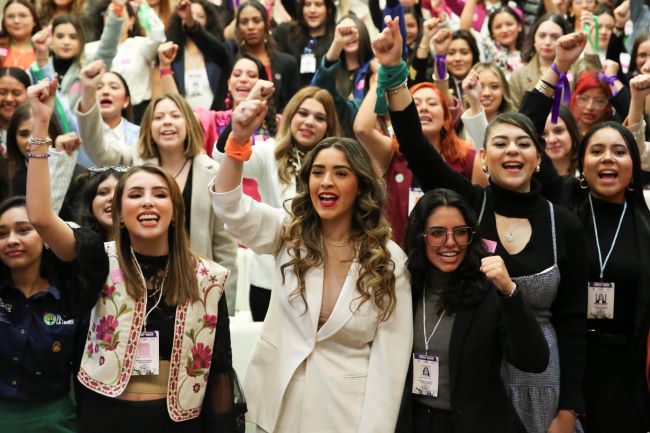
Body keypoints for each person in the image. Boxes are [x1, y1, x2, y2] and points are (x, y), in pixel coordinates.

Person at [375, 18, 588, 433]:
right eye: (500, 145)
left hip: (539, 377)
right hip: (473, 381)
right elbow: (417, 148)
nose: (513, 151)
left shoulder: (562, 222)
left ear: (539, 159)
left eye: (524, 145)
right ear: (483, 159)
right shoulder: (470, 207)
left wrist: (568, 410)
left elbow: (574, 323)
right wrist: (394, 69)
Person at [25, 78, 244, 433]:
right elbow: (39, 217)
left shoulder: (208, 277)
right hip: (105, 417)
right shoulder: (97, 258)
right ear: (119, 211)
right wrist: (39, 124)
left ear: (175, 209)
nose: (147, 202)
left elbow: (219, 370)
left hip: (177, 423)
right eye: (135, 194)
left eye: (159, 194)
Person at [210, 94, 412, 432]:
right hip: (273, 407)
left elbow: (389, 365)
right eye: (318, 172)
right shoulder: (289, 232)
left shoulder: (390, 260)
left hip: (344, 415)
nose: (327, 181)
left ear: (360, 184)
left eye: (340, 173)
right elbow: (230, 208)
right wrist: (239, 140)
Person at [75, 60, 240, 315]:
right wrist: (88, 92)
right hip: (140, 284)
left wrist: (223, 306)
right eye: (159, 117)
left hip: (195, 287)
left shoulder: (212, 172)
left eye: (175, 116)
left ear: (189, 125)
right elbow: (97, 149)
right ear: (149, 128)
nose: (167, 123)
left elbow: (225, 247)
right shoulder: (134, 163)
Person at [399, 188, 549, 432]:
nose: (451, 242)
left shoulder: (488, 291)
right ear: (420, 236)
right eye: (437, 233)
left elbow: (534, 360)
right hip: (416, 423)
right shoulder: (404, 288)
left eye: (460, 232)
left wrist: (510, 291)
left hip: (477, 423)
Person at [213, 85, 340, 321]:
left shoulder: (339, 163)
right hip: (268, 278)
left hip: (319, 278)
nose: (309, 121)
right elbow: (221, 156)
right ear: (290, 116)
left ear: (329, 126)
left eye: (319, 117)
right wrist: (243, 115)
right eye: (303, 113)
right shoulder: (270, 152)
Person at [0, 196, 78, 433]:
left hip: (56, 419)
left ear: (46, 238)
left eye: (24, 230)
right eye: (2, 234)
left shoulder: (71, 296)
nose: (12, 240)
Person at [230, 0, 299, 112]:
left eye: (256, 20)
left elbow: (293, 106)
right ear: (238, 27)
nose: (250, 27)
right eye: (244, 22)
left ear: (266, 23)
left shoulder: (287, 63)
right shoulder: (232, 59)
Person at [164, 0, 230, 111]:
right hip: (186, 121)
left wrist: (190, 21)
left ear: (209, 21)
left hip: (215, 120)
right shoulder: (172, 54)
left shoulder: (218, 52)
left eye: (200, 16)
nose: (194, 18)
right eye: (190, 14)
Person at [272, 0, 336, 87]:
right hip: (291, 97)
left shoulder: (336, 39)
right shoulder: (285, 32)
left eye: (318, 5)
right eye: (307, 4)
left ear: (329, 9)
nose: (312, 10)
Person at [0, 0, 40, 69]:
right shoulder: (1, 48)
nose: (16, 21)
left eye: (23, 16)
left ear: (34, 21)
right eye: (10, 16)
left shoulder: (44, 49)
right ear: (4, 22)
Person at [0, 67, 30, 156]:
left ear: (29, 94)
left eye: (16, 93)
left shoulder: (39, 129)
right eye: (2, 92)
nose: (9, 99)